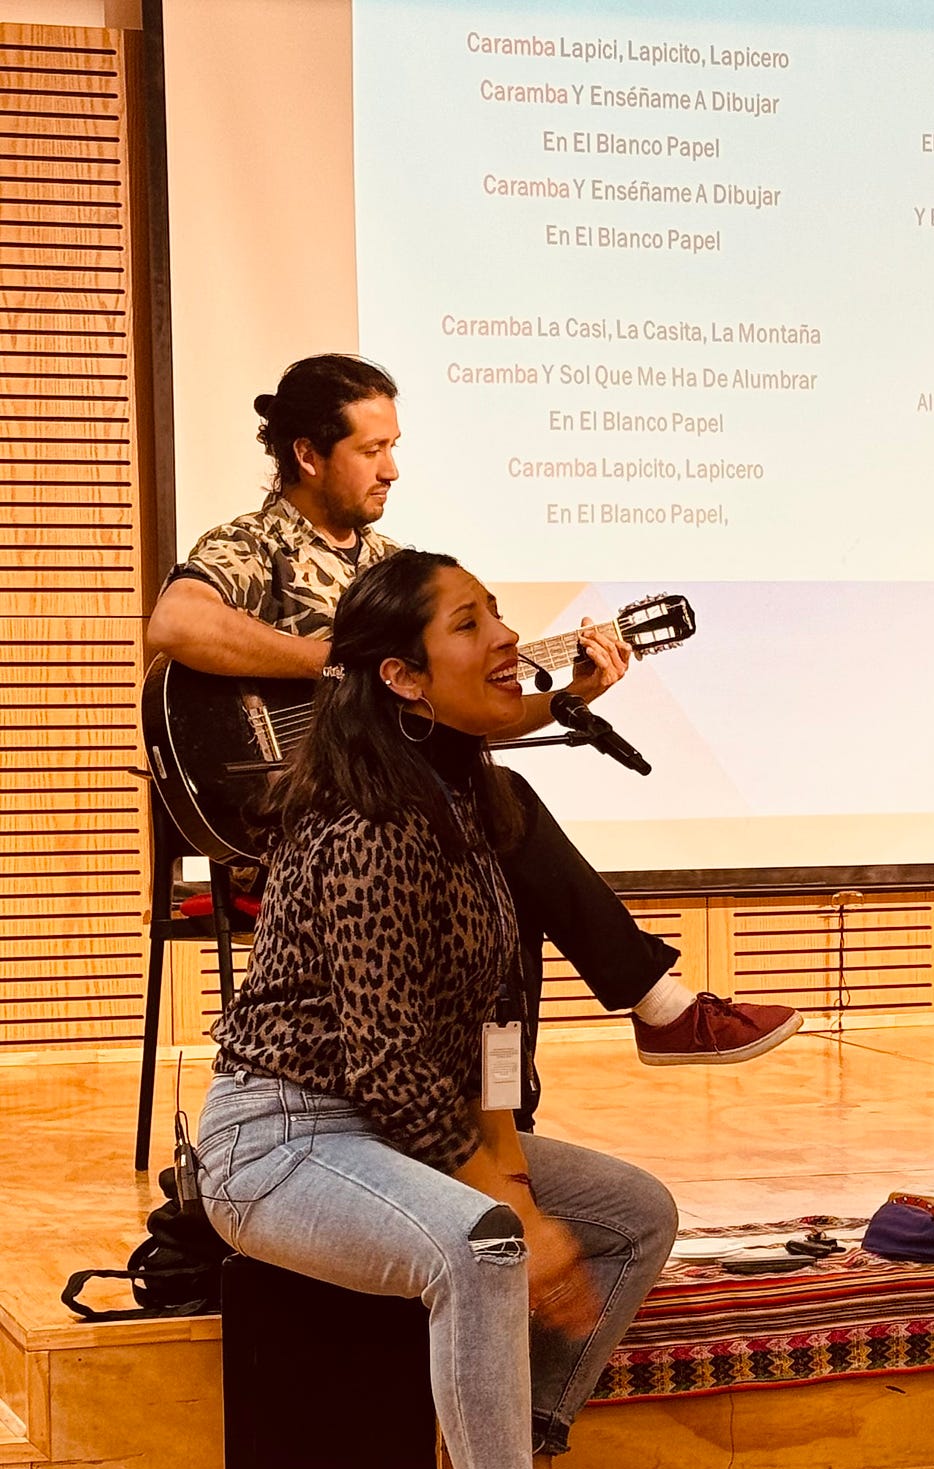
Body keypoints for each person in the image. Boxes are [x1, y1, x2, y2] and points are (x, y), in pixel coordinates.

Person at [145, 354, 800, 1106]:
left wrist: (569, 695)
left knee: (497, 855)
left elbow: (461, 718)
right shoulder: (257, 545)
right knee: (498, 797)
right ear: (306, 454)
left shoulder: (397, 572)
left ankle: (504, 1114)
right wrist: (332, 664)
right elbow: (177, 621)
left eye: (395, 446)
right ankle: (653, 1008)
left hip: (404, 812)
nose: (392, 468)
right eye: (371, 449)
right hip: (299, 822)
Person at [196, 548, 678, 1469]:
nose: (506, 637)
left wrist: (508, 1159)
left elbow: (495, 1023)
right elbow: (387, 1067)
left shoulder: (473, 799)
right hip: (284, 1140)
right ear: (403, 678)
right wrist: (522, 1214)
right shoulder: (367, 822)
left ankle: (514, 1457)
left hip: (406, 1127)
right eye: (470, 624)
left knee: (636, 1217)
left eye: (496, 611)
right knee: (485, 1242)